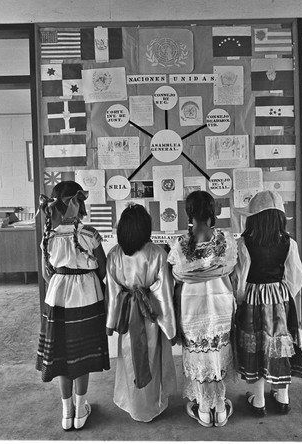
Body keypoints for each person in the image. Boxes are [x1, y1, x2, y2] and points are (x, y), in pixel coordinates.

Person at [35, 181, 110, 431]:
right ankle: (81, 409)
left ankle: (67, 413)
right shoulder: (89, 234)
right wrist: (87, 279)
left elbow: (47, 275)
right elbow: (103, 268)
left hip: (57, 296)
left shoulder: (48, 236)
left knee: (62, 355)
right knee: (81, 355)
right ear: (77, 203)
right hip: (86, 296)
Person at [234, 190, 302, 416]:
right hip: (279, 300)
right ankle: (283, 397)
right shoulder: (289, 243)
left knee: (256, 345)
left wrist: (242, 300)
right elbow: (297, 277)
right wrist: (282, 294)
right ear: (279, 218)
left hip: (253, 300)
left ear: (253, 218)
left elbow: (239, 277)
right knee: (279, 345)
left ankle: (258, 401)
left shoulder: (244, 243)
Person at [167, 191, 238, 428]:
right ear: (212, 212)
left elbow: (177, 276)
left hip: (191, 308)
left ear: (189, 213)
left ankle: (204, 409)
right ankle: (219, 407)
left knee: (199, 355)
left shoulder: (180, 244)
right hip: (220, 307)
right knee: (216, 353)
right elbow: (230, 272)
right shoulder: (225, 241)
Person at [106, 204, 177, 422]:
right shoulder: (157, 254)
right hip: (151, 316)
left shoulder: (114, 254)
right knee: (152, 356)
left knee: (129, 358)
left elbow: (113, 292)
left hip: (127, 315)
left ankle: (133, 404)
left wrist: (110, 322)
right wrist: (170, 328)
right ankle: (151, 406)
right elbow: (164, 293)